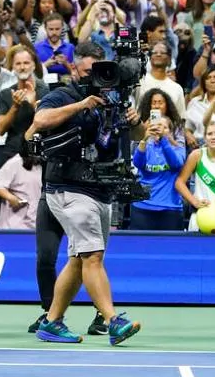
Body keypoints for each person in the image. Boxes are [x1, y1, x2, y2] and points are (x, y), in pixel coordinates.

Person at [24, 40, 141, 345]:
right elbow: (39, 121)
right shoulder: (64, 94)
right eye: (88, 71)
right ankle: (113, 321)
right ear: (75, 68)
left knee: (78, 260)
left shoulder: (114, 98)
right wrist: (82, 104)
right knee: (93, 255)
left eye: (100, 72)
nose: (95, 78)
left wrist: (135, 121)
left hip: (101, 188)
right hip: (67, 186)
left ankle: (51, 321)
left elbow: (135, 136)